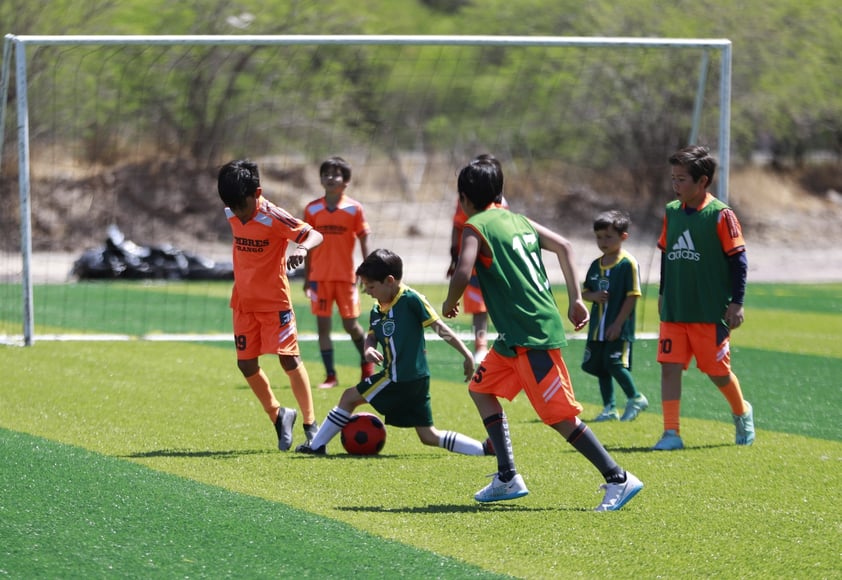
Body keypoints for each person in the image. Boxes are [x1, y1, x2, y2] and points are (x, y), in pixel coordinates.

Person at [442, 157, 643, 511]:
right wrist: (576, 300)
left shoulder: (474, 226)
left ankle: (618, 477)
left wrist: (450, 301)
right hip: (514, 335)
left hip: (532, 333)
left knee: (559, 417)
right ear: (500, 192)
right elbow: (565, 246)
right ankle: (507, 476)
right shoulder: (518, 220)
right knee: (481, 389)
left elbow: (462, 271)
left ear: (464, 197)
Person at [296, 248, 493, 457]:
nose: (367, 291)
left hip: (399, 377)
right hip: (415, 379)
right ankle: (484, 449)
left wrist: (467, 354)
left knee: (348, 397)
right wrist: (368, 348)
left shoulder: (411, 300)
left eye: (371, 286)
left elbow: (440, 328)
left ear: (389, 280)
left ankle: (316, 446)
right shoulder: (378, 307)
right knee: (428, 436)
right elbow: (371, 335)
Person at [217, 159, 324, 451]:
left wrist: (301, 248)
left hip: (274, 302)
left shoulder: (274, 216)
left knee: (288, 359)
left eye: (242, 206)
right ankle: (279, 416)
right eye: (232, 207)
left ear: (258, 193)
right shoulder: (233, 211)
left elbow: (315, 234)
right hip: (243, 301)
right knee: (246, 364)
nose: (238, 214)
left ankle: (311, 425)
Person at [653, 145, 755, 450]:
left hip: (709, 311)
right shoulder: (672, 212)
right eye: (673, 178)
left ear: (703, 181)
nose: (676, 185)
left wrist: (737, 302)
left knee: (717, 373)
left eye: (682, 179)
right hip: (675, 308)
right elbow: (666, 254)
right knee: (669, 367)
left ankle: (742, 411)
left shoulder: (721, 214)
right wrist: (662, 292)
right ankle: (671, 433)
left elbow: (739, 260)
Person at [302, 156, 374, 390]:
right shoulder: (312, 209)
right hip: (319, 278)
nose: (330, 178)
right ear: (321, 179)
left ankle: (367, 366)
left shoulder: (354, 209)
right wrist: (306, 278)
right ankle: (330, 375)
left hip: (346, 278)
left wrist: (368, 272)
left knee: (351, 325)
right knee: (323, 327)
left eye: (336, 174)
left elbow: (364, 240)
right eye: (326, 174)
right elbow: (307, 245)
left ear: (346, 181)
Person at [581, 210, 648, 422]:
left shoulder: (627, 264)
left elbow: (632, 296)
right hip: (597, 328)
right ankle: (609, 408)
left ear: (623, 237)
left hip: (618, 328)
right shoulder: (595, 265)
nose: (603, 242)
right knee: (600, 367)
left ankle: (635, 397)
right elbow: (585, 292)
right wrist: (593, 296)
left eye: (608, 237)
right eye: (599, 237)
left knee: (615, 364)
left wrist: (618, 324)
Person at [446, 153, 509, 365]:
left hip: (495, 266)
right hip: (473, 264)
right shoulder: (466, 203)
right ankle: (480, 347)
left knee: (500, 306)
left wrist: (449, 301)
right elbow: (457, 227)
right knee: (478, 309)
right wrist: (455, 259)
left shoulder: (502, 207)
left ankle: (506, 345)